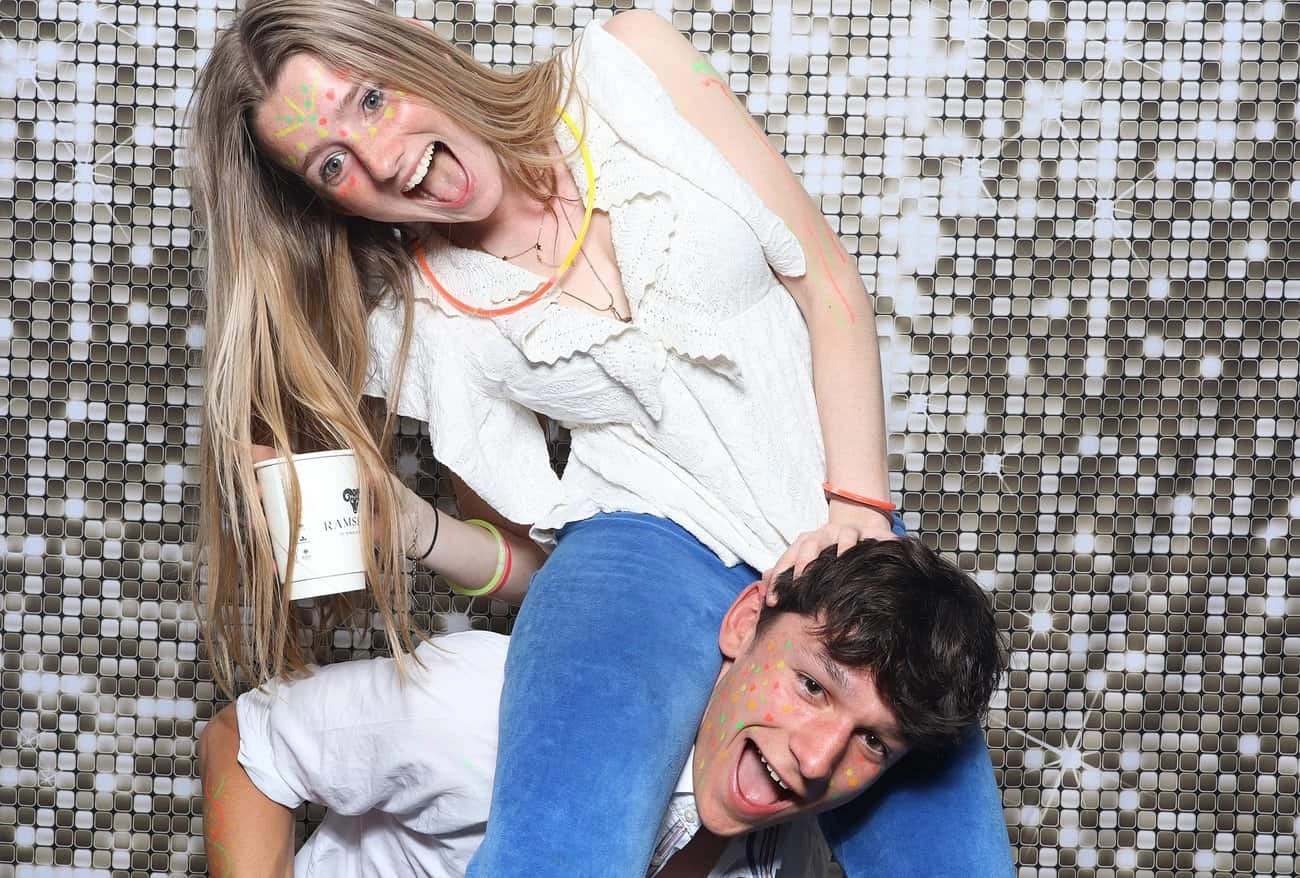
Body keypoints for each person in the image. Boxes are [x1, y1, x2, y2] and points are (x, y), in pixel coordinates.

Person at [189, 1, 1014, 874]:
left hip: (838, 532)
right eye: (332, 163)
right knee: (563, 851)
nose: (383, 157)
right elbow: (530, 566)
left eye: (370, 100)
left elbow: (826, 277)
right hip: (635, 559)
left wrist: (858, 507)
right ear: (325, 200)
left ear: (419, 47)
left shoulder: (626, 66)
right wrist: (405, 525)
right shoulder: (417, 322)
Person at [197, 539, 1006, 877]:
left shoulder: (782, 849)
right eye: (812, 685)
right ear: (742, 623)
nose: (819, 756)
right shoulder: (482, 705)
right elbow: (245, 743)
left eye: (874, 742)